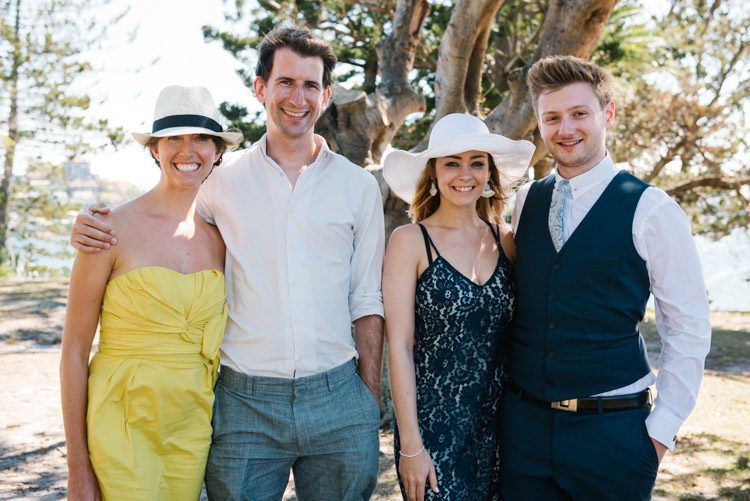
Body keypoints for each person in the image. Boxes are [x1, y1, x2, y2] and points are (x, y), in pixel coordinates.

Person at [69, 25, 385, 500]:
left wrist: (366, 402)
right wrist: (83, 225)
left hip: (338, 398)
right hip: (243, 403)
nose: (297, 97)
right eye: (284, 82)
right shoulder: (220, 184)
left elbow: (366, 299)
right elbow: (160, 220)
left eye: (310, 85)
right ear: (260, 88)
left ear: (326, 94)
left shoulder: (358, 187)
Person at [500, 55, 712, 500]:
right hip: (525, 434)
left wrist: (657, 437)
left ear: (607, 115)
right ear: (539, 125)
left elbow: (688, 328)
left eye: (580, 114)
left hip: (613, 436)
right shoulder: (525, 202)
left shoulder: (652, 209)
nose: (566, 129)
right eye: (552, 117)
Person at [60, 85, 242, 499]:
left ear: (217, 151)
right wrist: (77, 468)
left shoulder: (223, 241)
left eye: (200, 137)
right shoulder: (107, 231)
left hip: (193, 424)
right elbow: (73, 352)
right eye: (173, 137)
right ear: (154, 150)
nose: (187, 149)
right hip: (121, 420)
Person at [382, 113, 535, 500]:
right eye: (452, 162)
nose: (464, 174)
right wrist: (411, 446)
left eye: (476, 163)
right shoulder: (410, 241)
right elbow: (398, 346)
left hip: (504, 428)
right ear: (433, 172)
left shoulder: (508, 242)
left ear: (489, 174)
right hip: (433, 431)